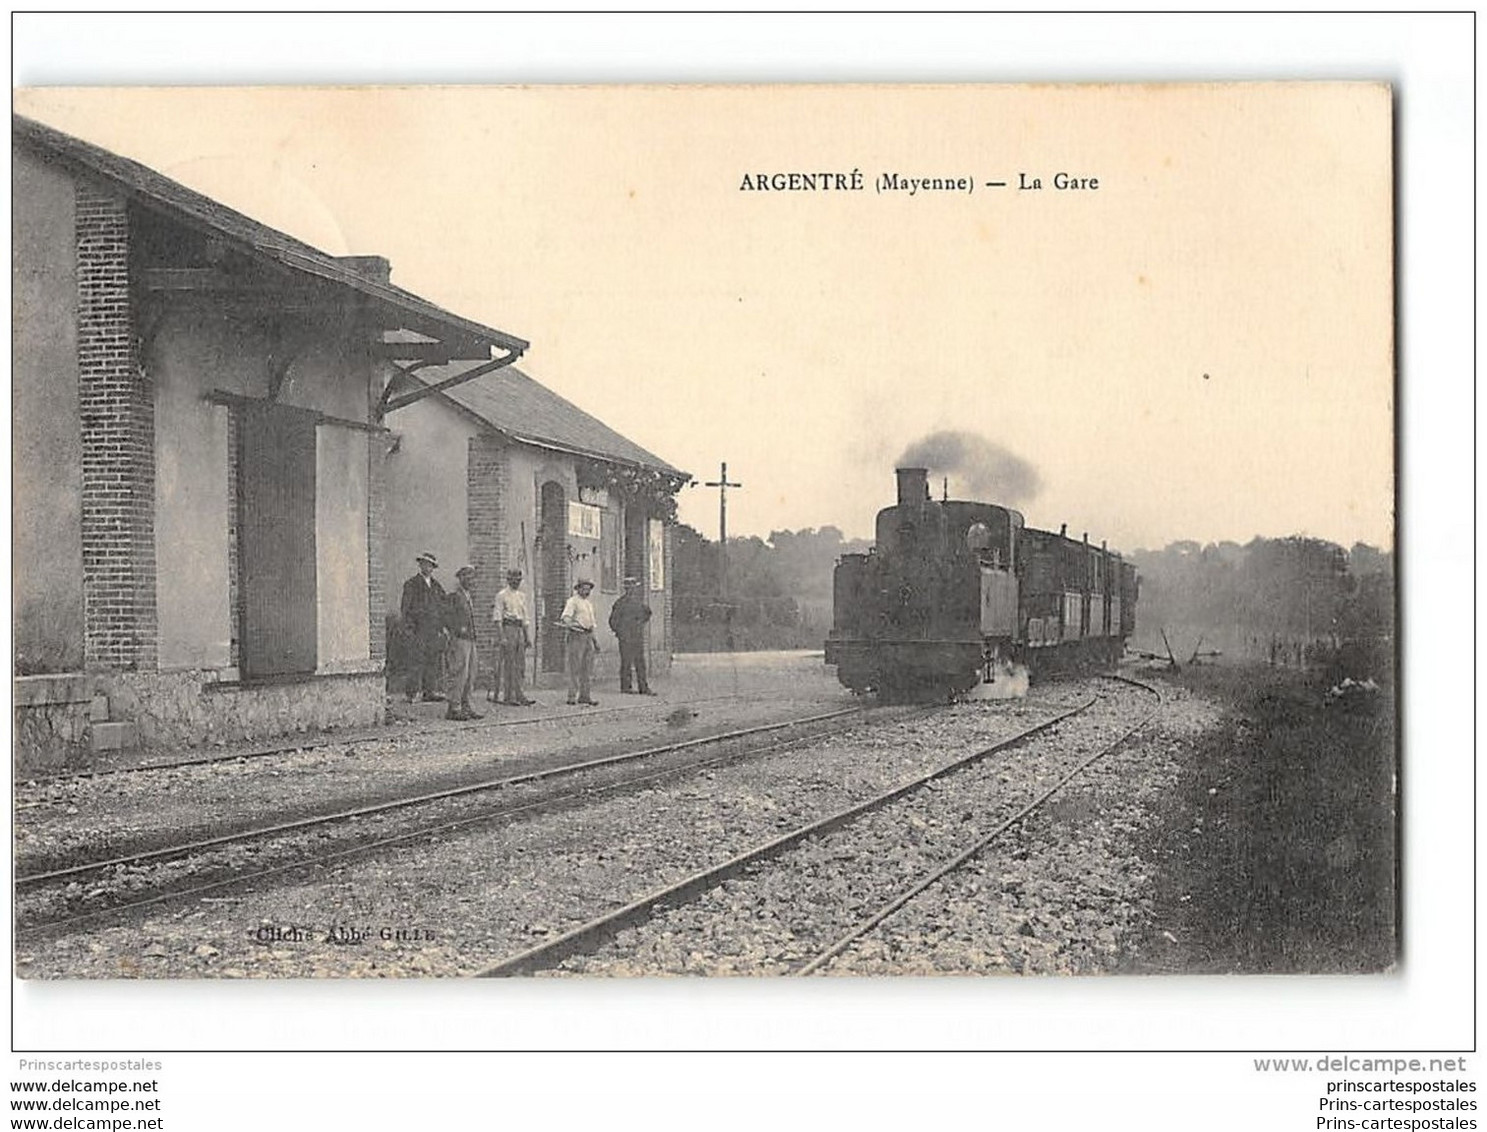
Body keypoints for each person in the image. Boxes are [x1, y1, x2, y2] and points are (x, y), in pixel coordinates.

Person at [400, 552, 447, 703]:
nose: (426, 567)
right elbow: (406, 608)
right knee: (416, 660)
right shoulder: (411, 584)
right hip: (417, 629)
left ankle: (429, 691)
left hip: (433, 630)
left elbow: (442, 607)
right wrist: (408, 628)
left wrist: (443, 627)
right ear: (420, 565)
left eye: (429, 564)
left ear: (433, 567)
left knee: (432, 660)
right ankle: (412, 693)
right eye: (423, 564)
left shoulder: (437, 586)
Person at [490, 568, 536, 706]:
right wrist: (502, 636)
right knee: (509, 663)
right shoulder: (501, 595)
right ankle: (509, 696)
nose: (516, 582)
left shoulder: (522, 596)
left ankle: (520, 694)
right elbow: (497, 617)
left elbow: (525, 617)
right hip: (508, 628)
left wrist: (527, 636)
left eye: (518, 580)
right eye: (513, 579)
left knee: (520, 664)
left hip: (519, 629)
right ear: (508, 580)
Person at [443, 565, 482, 721]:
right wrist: (457, 628)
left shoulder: (468, 596)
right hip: (459, 639)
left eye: (472, 578)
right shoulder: (454, 596)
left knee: (471, 673)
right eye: (467, 577)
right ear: (460, 579)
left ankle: (467, 705)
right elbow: (446, 616)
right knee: (459, 672)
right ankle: (454, 707)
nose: (471, 581)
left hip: (470, 639)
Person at [608, 575, 655, 695]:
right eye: (628, 587)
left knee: (640, 662)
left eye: (633, 587)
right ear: (625, 589)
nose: (631, 590)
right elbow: (613, 620)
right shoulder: (620, 603)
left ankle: (643, 687)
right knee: (626, 662)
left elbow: (648, 613)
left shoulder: (639, 603)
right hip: (625, 638)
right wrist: (619, 632)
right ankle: (625, 687)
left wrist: (640, 623)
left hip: (637, 637)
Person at [560, 578, 600, 706]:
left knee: (587, 668)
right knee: (575, 667)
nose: (586, 591)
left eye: (588, 589)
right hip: (577, 636)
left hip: (588, 636)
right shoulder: (572, 602)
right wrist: (571, 625)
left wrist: (595, 641)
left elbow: (592, 624)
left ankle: (585, 695)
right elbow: (566, 617)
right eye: (584, 588)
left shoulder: (588, 604)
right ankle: (572, 696)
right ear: (578, 589)